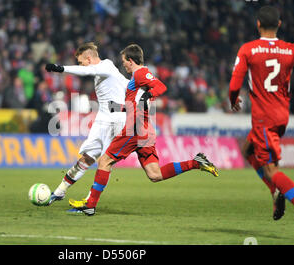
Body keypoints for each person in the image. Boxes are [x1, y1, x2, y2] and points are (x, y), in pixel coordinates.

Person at [69, 44, 219, 216]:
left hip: (135, 128)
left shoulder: (140, 73)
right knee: (155, 174)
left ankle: (90, 204)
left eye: (124, 61)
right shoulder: (136, 78)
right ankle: (196, 162)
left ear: (131, 61)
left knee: (104, 161)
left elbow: (161, 86)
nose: (123, 64)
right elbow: (136, 105)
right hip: (145, 129)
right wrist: (119, 107)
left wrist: (150, 95)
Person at [229, 6, 294, 240]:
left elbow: (233, 87)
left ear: (258, 24)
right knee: (247, 149)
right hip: (281, 116)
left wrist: (233, 99)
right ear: (279, 24)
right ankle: (275, 191)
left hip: (263, 118)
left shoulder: (248, 49)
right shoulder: (291, 49)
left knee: (271, 170)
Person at [45, 42, 128, 204]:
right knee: (87, 157)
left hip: (115, 119)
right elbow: (126, 83)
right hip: (103, 118)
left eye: (81, 62)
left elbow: (86, 71)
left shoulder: (106, 66)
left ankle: (89, 202)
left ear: (89, 59)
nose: (81, 65)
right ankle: (60, 191)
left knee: (105, 162)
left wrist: (60, 69)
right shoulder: (107, 71)